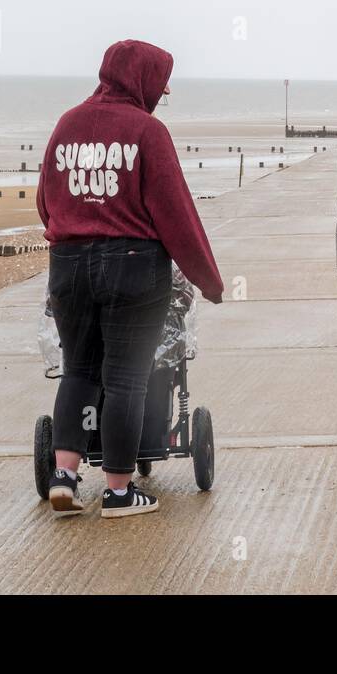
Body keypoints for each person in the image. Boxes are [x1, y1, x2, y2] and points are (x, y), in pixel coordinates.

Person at [37, 39, 223, 520]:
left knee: (78, 370)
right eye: (160, 85)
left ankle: (64, 476)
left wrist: (72, 236)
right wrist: (208, 280)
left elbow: (45, 200)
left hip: (69, 263)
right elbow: (176, 215)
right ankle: (119, 492)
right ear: (143, 81)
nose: (161, 95)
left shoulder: (67, 124)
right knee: (125, 377)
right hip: (133, 266)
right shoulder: (147, 132)